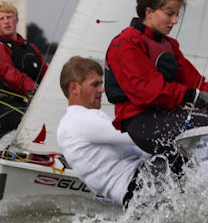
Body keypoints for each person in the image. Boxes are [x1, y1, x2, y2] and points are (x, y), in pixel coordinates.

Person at [105, 0, 208, 164]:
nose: (174, 21)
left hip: (164, 118)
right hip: (143, 123)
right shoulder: (126, 43)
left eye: (177, 15)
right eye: (169, 14)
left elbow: (192, 80)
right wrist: (192, 96)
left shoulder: (168, 45)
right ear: (149, 12)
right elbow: (147, 90)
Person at [56, 56, 152, 208]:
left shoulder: (88, 117)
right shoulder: (77, 120)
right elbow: (139, 135)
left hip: (140, 187)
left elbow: (142, 144)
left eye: (101, 83)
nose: (102, 89)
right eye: (95, 84)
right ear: (74, 88)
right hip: (138, 187)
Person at [0, 1, 49, 84]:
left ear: (17, 20)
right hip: (16, 96)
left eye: (9, 17)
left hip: (37, 95)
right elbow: (10, 79)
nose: (6, 22)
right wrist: (31, 88)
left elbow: (47, 76)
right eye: (1, 19)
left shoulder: (32, 48)